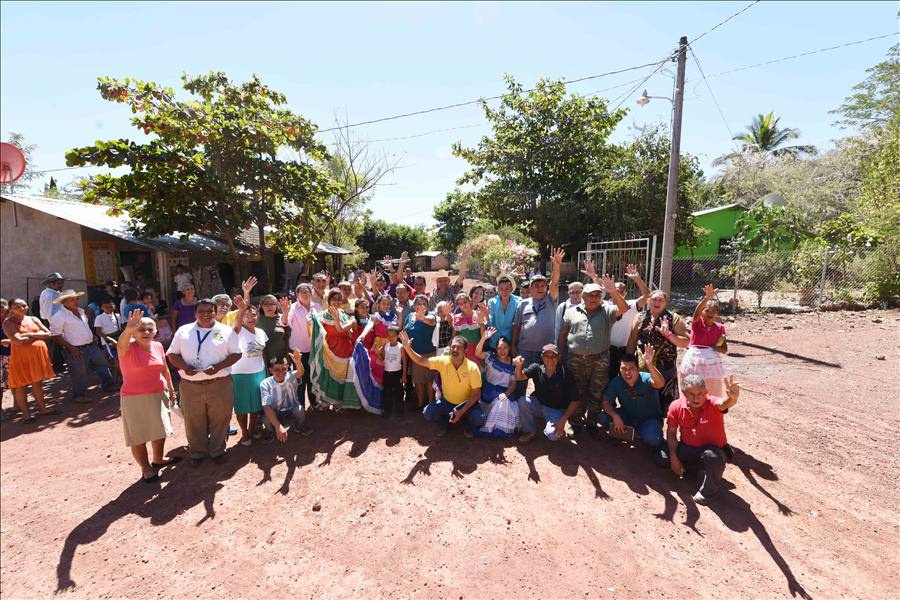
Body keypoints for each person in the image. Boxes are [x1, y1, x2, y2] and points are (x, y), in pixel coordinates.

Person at [166, 298, 242, 467]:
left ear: (216, 313)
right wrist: (185, 367)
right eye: (201, 311)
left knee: (221, 418)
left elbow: (237, 353)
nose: (205, 314)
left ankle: (217, 450)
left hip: (219, 382)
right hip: (190, 385)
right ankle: (197, 452)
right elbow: (172, 354)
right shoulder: (183, 331)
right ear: (195, 313)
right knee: (193, 420)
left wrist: (219, 366)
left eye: (210, 311)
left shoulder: (227, 331)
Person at [653, 375, 741, 505]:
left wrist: (732, 398)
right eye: (691, 394)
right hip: (688, 447)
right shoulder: (676, 406)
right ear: (684, 393)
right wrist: (673, 457)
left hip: (712, 449)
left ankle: (709, 492)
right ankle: (696, 468)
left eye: (700, 394)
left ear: (706, 392)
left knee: (714, 457)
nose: (696, 398)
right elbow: (671, 432)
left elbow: (724, 404)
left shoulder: (712, 402)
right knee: (660, 457)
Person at [558, 277, 628, 438]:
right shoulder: (571, 312)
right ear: (583, 297)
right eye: (590, 295)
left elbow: (624, 308)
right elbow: (563, 334)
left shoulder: (607, 312)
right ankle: (575, 424)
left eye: (598, 295)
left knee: (597, 393)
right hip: (575, 360)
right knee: (576, 392)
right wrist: (560, 355)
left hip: (600, 361)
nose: (594, 298)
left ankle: (591, 423)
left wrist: (614, 292)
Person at [116, 310, 180, 483]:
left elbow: (164, 369)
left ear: (155, 331)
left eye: (150, 329)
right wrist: (128, 329)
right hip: (134, 398)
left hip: (159, 394)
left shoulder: (158, 346)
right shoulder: (127, 347)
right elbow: (121, 344)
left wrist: (171, 390)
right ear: (134, 332)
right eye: (141, 329)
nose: (146, 332)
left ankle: (158, 458)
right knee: (138, 436)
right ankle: (146, 468)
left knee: (160, 429)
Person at [399, 333, 482, 438]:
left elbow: (476, 394)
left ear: (465, 351)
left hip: (465, 404)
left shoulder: (472, 367)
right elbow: (420, 360)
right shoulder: (443, 361)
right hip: (447, 402)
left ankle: (466, 425)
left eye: (459, 347)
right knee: (428, 413)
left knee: (479, 418)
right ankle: (445, 425)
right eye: (453, 347)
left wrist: (461, 411)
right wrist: (407, 348)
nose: (455, 349)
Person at [512, 248, 564, 396]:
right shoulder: (523, 304)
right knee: (520, 383)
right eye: (537, 285)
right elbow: (517, 326)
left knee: (543, 385)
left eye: (543, 286)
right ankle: (519, 410)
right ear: (531, 288)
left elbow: (555, 283)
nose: (540, 288)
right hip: (525, 351)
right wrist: (513, 345)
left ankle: (541, 412)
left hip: (545, 352)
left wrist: (557, 265)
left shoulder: (550, 300)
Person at [50, 289, 117, 403]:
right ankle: (78, 395)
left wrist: (92, 337)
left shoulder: (80, 311)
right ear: (63, 302)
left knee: (103, 364)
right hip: (76, 349)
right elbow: (55, 336)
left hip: (90, 345)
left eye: (77, 299)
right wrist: (71, 348)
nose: (76, 302)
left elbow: (84, 327)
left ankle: (108, 385)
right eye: (72, 300)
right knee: (79, 373)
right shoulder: (59, 316)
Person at [627, 290, 690, 411]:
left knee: (664, 402)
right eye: (654, 299)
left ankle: (659, 427)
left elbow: (686, 341)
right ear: (649, 300)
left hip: (664, 366)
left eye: (661, 300)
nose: (657, 302)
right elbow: (632, 341)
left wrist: (669, 335)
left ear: (665, 302)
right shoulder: (639, 317)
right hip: (643, 364)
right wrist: (628, 361)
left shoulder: (673, 318)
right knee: (641, 399)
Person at [2, 298, 60, 421]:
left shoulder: (33, 319)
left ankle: (42, 409)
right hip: (21, 358)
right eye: (17, 307)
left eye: (24, 305)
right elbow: (18, 341)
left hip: (37, 357)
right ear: (10, 309)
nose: (22, 308)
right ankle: (25, 415)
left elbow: (48, 334)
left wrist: (28, 334)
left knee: (37, 383)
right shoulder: (8, 323)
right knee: (22, 386)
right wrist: (37, 334)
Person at [598, 348, 666, 451]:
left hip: (649, 420)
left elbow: (660, 383)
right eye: (624, 369)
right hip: (628, 417)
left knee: (653, 440)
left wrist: (649, 365)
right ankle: (629, 432)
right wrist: (615, 416)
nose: (627, 372)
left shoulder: (646, 378)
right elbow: (606, 403)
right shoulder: (617, 382)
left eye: (631, 369)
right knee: (603, 417)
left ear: (638, 369)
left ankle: (639, 433)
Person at [514, 344, 580, 444]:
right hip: (540, 404)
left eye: (553, 356)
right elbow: (519, 377)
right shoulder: (537, 367)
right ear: (542, 357)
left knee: (553, 435)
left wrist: (563, 420)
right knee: (523, 401)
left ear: (559, 357)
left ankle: (552, 422)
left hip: (556, 410)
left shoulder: (566, 374)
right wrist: (518, 366)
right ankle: (530, 431)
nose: (550, 359)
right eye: (547, 356)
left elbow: (575, 401)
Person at [309, 290, 364, 411]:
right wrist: (311, 321)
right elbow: (315, 330)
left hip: (344, 348)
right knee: (328, 374)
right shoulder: (323, 315)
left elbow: (347, 333)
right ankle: (325, 401)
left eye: (339, 298)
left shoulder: (344, 315)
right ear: (329, 300)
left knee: (342, 376)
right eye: (334, 298)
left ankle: (338, 401)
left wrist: (357, 345)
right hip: (329, 349)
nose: (337, 301)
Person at [230, 296, 268, 446]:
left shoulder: (261, 332)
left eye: (253, 314)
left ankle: (252, 428)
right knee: (241, 405)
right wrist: (241, 310)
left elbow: (263, 352)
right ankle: (244, 432)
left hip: (259, 372)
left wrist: (266, 372)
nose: (250, 317)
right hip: (240, 374)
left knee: (256, 404)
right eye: (247, 315)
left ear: (258, 317)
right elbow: (236, 325)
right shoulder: (239, 332)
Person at [680, 285, 728, 398]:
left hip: (711, 362)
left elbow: (724, 349)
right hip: (694, 359)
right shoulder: (698, 324)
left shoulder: (720, 327)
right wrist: (706, 298)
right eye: (707, 311)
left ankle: (711, 411)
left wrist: (714, 347)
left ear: (717, 314)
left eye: (714, 311)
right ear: (702, 313)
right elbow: (696, 313)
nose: (710, 314)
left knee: (711, 389)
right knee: (693, 386)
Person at [470, 328, 519, 438]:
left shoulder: (513, 362)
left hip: (504, 391)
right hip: (488, 390)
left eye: (505, 348)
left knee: (503, 403)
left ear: (509, 348)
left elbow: (513, 383)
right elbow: (477, 353)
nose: (502, 351)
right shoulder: (490, 357)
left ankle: (498, 429)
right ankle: (489, 427)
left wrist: (507, 394)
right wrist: (483, 338)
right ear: (496, 349)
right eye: (499, 348)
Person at [353, 294, 397, 413]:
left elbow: (400, 327)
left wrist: (401, 314)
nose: (386, 306)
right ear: (378, 304)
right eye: (383, 303)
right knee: (378, 373)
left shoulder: (393, 316)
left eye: (388, 304)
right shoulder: (376, 316)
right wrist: (363, 335)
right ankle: (376, 401)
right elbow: (370, 325)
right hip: (379, 344)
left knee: (389, 372)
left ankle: (389, 401)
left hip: (391, 345)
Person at [606, 265, 651, 379]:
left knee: (627, 381)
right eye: (616, 291)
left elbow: (648, 297)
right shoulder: (605, 306)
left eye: (621, 292)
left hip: (627, 350)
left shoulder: (631, 305)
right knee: (607, 381)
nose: (618, 294)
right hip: (607, 351)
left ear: (625, 293)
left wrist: (638, 280)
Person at [260, 350, 312, 443]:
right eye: (276, 369)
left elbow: (300, 373)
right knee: (265, 419)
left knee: (300, 410)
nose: (281, 372)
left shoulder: (290, 376)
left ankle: (299, 427)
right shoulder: (265, 384)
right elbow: (266, 406)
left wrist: (298, 362)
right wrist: (278, 426)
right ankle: (274, 431)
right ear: (271, 370)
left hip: (292, 410)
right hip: (277, 413)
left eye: (283, 369)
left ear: (287, 368)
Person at [284, 283, 321, 410]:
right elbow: (285, 322)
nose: (305, 294)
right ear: (297, 294)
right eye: (302, 292)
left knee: (313, 377)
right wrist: (284, 312)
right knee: (300, 378)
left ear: (311, 293)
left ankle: (314, 402)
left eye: (307, 291)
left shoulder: (317, 306)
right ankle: (300, 405)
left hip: (315, 348)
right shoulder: (293, 308)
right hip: (298, 350)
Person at [403, 295, 436, 408]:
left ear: (427, 306)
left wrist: (422, 318)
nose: (421, 306)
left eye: (424, 304)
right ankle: (420, 403)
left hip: (429, 353)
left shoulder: (430, 315)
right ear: (414, 305)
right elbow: (404, 329)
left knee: (429, 380)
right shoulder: (410, 316)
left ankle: (431, 404)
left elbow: (431, 322)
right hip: (413, 354)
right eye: (418, 304)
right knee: (417, 380)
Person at [377, 325, 406, 419]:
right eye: (389, 336)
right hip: (387, 374)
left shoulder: (400, 347)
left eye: (393, 336)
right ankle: (387, 412)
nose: (390, 338)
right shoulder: (385, 346)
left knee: (399, 393)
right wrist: (378, 353)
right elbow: (382, 359)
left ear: (398, 336)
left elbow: (405, 361)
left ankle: (400, 412)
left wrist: (404, 375)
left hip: (397, 373)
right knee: (387, 393)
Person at [486, 274, 521, 352]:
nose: (504, 292)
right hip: (494, 343)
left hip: (511, 343)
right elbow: (489, 321)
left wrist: (514, 343)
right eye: (501, 289)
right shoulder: (492, 302)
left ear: (511, 289)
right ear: (498, 289)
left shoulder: (518, 302)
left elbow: (518, 324)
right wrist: (486, 315)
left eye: (507, 289)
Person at [39, 272, 66, 373]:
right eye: (58, 283)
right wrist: (53, 324)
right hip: (51, 321)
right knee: (55, 343)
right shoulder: (48, 294)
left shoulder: (55, 293)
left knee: (58, 343)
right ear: (51, 284)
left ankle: (59, 363)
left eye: (61, 283)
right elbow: (47, 311)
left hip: (56, 320)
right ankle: (56, 365)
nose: (61, 285)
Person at [451, 292, 486, 368]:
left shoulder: (478, 315)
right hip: (462, 350)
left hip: (477, 350)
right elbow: (454, 336)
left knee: (477, 372)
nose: (463, 305)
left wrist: (481, 323)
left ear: (470, 301)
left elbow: (483, 335)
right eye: (460, 304)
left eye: (465, 302)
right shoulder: (457, 318)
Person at [94, 298, 123, 381]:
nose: (109, 308)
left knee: (119, 359)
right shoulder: (99, 318)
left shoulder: (117, 316)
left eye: (111, 306)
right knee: (116, 359)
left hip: (118, 339)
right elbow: (98, 332)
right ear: (102, 308)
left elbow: (121, 328)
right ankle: (125, 378)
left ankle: (116, 379)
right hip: (107, 342)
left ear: (114, 306)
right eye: (106, 307)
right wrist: (110, 339)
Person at [553, 281, 583, 360]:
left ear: (582, 293)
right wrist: (558, 349)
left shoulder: (587, 307)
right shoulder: (563, 307)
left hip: (583, 347)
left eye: (578, 292)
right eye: (572, 293)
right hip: (566, 345)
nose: (575, 295)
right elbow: (557, 328)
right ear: (568, 293)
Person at [256, 295, 291, 364]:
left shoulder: (283, 318)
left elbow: (288, 339)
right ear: (262, 306)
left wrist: (288, 357)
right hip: (260, 359)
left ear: (277, 306)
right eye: (266, 304)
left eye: (273, 304)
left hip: (280, 359)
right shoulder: (256, 320)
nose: (270, 306)